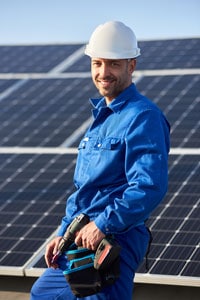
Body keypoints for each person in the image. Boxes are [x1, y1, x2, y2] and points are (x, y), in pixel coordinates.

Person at [30, 21, 170, 300]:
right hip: (78, 236)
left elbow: (148, 186)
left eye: (114, 64)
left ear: (131, 66)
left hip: (114, 237)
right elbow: (85, 190)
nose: (103, 73)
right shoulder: (100, 119)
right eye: (97, 63)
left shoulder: (143, 116)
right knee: (42, 294)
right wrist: (63, 233)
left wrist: (103, 224)